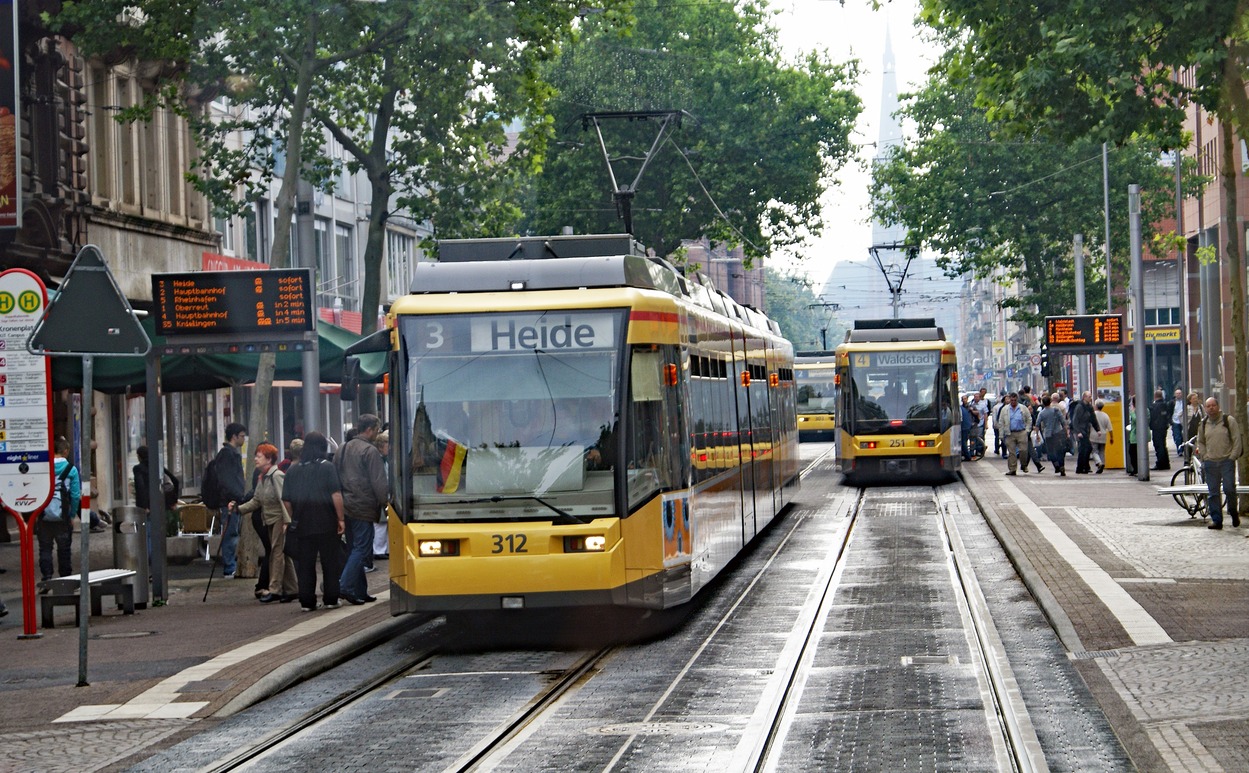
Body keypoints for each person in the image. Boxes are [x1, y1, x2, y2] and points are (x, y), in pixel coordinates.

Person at [282, 432, 345, 611]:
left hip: (302, 524)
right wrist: (340, 518)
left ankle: (307, 601)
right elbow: (336, 495)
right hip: (326, 523)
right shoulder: (327, 467)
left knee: (306, 564)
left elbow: (286, 500)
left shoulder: (293, 470)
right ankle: (331, 598)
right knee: (330, 562)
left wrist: (294, 516)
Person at [335, 415, 387, 605]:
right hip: (363, 506)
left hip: (345, 505)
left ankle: (360, 591)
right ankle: (345, 585)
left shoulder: (342, 448)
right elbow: (379, 482)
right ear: (370, 429)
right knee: (362, 550)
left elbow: (335, 478)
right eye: (377, 429)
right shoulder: (370, 451)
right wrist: (386, 505)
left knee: (353, 549)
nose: (377, 433)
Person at [234, 443, 297, 603]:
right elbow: (256, 501)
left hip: (278, 519)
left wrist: (287, 521)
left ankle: (275, 589)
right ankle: (292, 588)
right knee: (282, 553)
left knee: (276, 553)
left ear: (269, 459)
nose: (255, 459)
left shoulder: (276, 476)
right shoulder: (263, 477)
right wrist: (238, 509)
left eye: (259, 456)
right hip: (269, 519)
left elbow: (285, 499)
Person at [1194, 396, 1242, 530]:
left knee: (1229, 489)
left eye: (1213, 405)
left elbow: (1236, 439)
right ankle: (1217, 520)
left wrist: (1232, 457)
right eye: (1208, 406)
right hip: (1211, 462)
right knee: (1213, 493)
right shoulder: (1203, 424)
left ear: (1218, 406)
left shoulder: (1228, 421)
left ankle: (1233, 512)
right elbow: (1201, 441)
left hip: (1226, 461)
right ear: (1205, 408)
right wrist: (1205, 456)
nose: (1211, 408)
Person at [206, 422, 247, 578]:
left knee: (232, 532)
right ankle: (229, 567)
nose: (243, 439)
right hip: (230, 501)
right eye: (242, 436)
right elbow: (227, 480)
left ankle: (231, 566)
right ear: (234, 436)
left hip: (232, 500)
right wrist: (237, 496)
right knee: (230, 533)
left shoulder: (229, 454)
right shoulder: (227, 455)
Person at [38, 436, 81, 583]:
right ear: (66, 451)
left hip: (43, 515)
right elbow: (75, 496)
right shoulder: (71, 469)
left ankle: (46, 578)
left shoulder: (44, 467)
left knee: (45, 548)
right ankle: (65, 579)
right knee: (64, 549)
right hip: (63, 517)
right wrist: (72, 515)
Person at [995, 392, 1032, 475]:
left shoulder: (1023, 408)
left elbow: (1029, 419)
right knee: (1012, 452)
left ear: (1017, 400)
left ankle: (1023, 465)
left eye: (1015, 400)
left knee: (1023, 450)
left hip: (1021, 432)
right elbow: (1001, 422)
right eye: (1011, 400)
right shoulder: (1005, 409)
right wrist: (1001, 435)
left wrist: (1027, 430)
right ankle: (1012, 469)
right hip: (1010, 433)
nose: (1013, 402)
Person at [1035, 394, 1070, 476]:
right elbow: (1063, 422)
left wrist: (1037, 435)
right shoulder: (1056, 410)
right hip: (1058, 433)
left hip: (1048, 434)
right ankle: (1061, 466)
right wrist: (1067, 432)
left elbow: (1037, 425)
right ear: (1050, 402)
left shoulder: (1042, 413)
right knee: (1060, 451)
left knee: (1051, 451)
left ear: (1043, 403)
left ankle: (1056, 464)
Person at [371, 431, 390, 566]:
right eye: (387, 445)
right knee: (380, 524)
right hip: (379, 496)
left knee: (383, 524)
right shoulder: (378, 460)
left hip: (383, 494)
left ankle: (383, 548)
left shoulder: (384, 460)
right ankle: (379, 550)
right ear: (381, 446)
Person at [1070, 391, 1096, 474]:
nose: (1090, 398)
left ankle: (1082, 467)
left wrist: (1097, 429)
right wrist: (1078, 432)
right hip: (1081, 430)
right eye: (1089, 396)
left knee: (1083, 449)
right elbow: (1075, 420)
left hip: (1086, 430)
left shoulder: (1089, 407)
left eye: (1091, 396)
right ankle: (1083, 467)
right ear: (1084, 397)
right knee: (1087, 448)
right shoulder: (1079, 407)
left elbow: (1093, 418)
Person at [1147, 389, 1172, 470]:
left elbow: (1152, 417)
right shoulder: (1165, 405)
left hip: (1157, 428)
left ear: (1155, 396)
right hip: (1164, 427)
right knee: (1163, 445)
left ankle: (1160, 463)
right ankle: (1166, 463)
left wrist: (1150, 425)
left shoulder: (1154, 407)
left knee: (1158, 446)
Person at [1090, 399, 1113, 474]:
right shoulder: (1105, 415)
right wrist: (1111, 437)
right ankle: (1102, 463)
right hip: (1103, 435)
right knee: (1102, 451)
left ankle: (1099, 462)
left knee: (1094, 451)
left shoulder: (1093, 414)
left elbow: (1089, 425)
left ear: (1096, 406)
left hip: (1093, 435)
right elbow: (1110, 428)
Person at [1170, 388, 1186, 456]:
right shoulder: (1172, 402)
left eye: (1179, 393)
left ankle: (1182, 448)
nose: (1178, 395)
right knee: (1177, 436)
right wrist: (1170, 421)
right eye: (1177, 393)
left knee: (1183, 436)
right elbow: (1169, 411)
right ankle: (1179, 450)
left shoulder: (1185, 402)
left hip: (1183, 421)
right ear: (1175, 394)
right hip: (1175, 421)